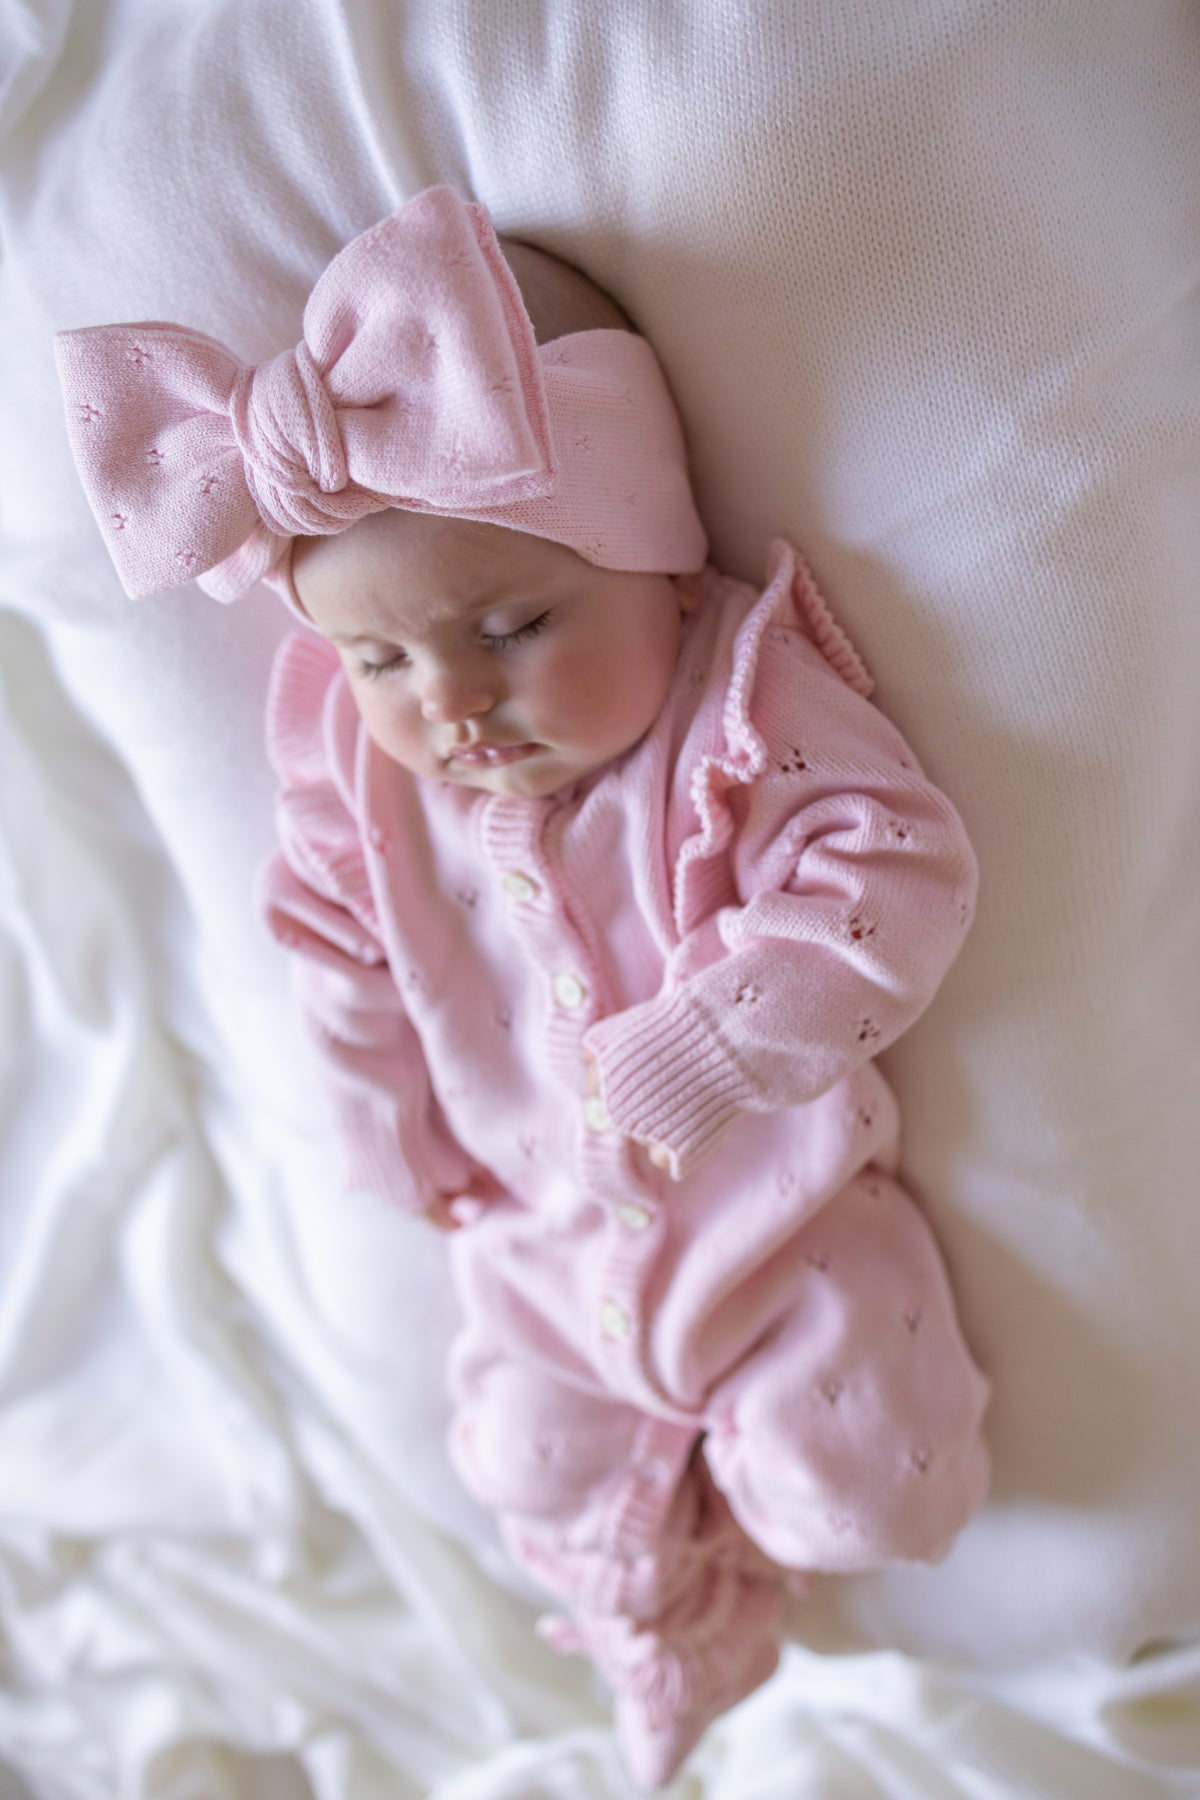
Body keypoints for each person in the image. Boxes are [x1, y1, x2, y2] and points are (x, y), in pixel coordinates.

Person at [55, 184, 990, 1790]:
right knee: (520, 1461)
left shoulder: (737, 702)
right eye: (383, 660)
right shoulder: (360, 775)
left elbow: (893, 873)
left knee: (873, 1486)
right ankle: (672, 1634)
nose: (455, 703)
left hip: (776, 1222)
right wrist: (392, 1128)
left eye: (514, 626)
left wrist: (713, 1039)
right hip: (538, 1244)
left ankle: (786, 1550)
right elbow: (333, 950)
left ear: (664, 568)